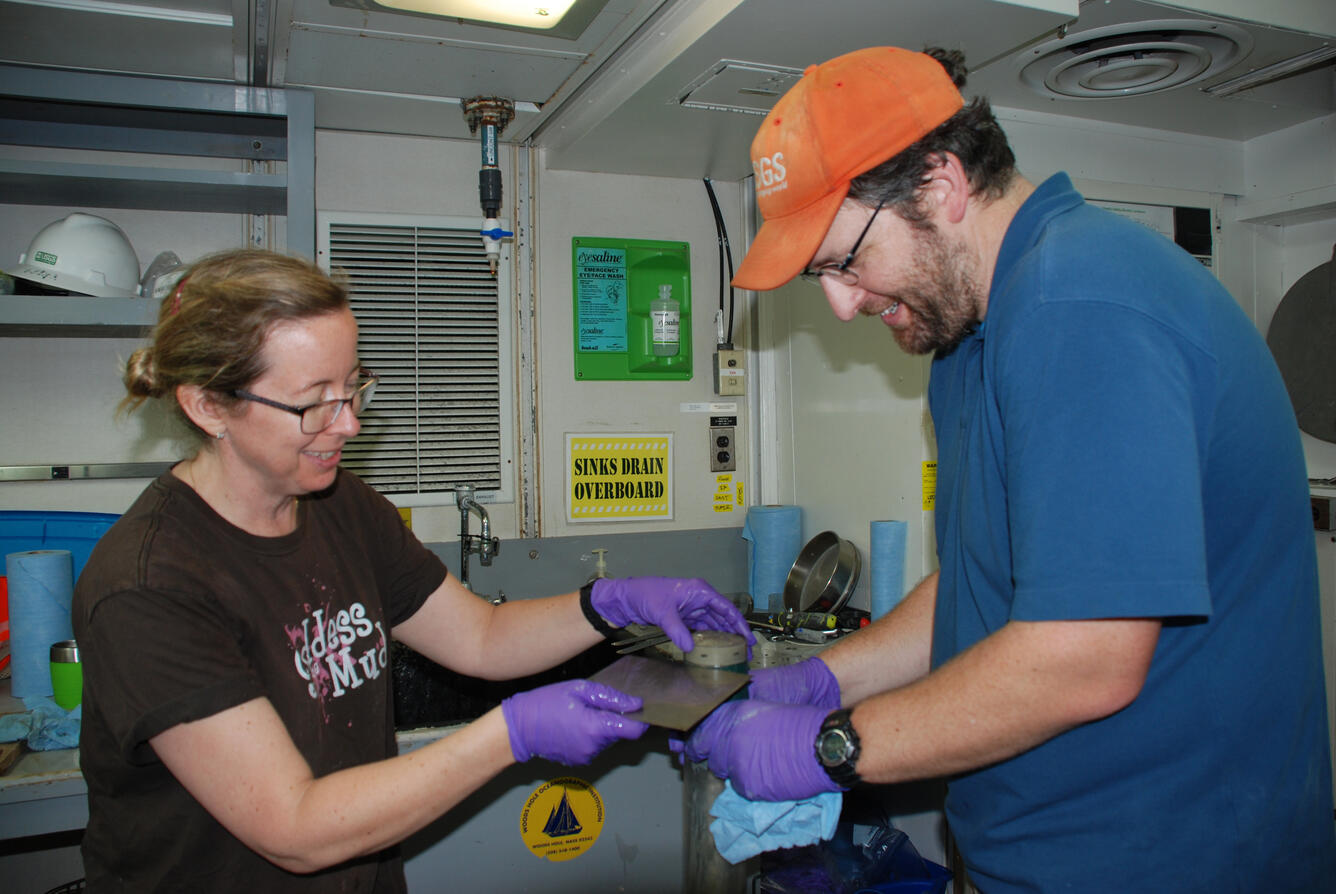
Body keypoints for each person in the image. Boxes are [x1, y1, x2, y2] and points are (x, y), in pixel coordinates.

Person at [684, 46, 1336, 891]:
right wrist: (814, 682)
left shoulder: (1081, 304)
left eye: (843, 261)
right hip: (1028, 858)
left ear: (941, 184)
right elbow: (981, 584)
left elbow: (1085, 657)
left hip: (1169, 861)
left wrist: (830, 745)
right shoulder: (967, 338)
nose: (840, 303)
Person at [72, 248, 754, 892]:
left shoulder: (339, 504)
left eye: (353, 388)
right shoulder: (151, 583)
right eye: (314, 401)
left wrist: (607, 603)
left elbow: (479, 637)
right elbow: (295, 826)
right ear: (207, 405)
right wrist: (507, 736)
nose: (348, 426)